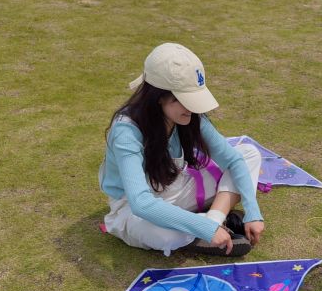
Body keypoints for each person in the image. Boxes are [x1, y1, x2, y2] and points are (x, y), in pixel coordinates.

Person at [99, 43, 265, 257]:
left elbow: (234, 160)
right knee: (162, 235)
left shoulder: (190, 116)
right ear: (159, 96)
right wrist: (204, 228)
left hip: (174, 187)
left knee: (248, 154)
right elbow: (141, 203)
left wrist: (253, 212)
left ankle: (213, 220)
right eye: (185, 99)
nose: (192, 108)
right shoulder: (126, 131)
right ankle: (203, 227)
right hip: (131, 206)